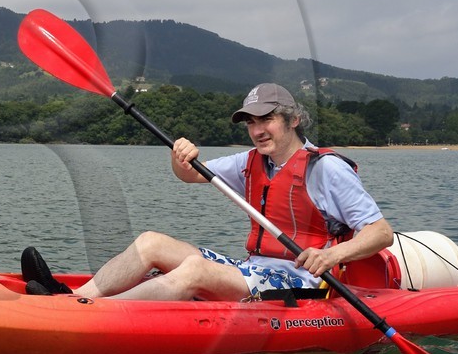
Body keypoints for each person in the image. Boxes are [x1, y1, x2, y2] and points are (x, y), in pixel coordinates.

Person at [22, 82, 394, 300]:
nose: (257, 129)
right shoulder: (250, 162)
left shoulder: (325, 168)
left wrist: (332, 256)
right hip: (253, 269)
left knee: (197, 269)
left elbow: (381, 233)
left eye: (267, 119)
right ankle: (75, 298)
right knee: (151, 241)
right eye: (251, 122)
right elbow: (188, 176)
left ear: (293, 120)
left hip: (301, 281)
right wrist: (179, 156)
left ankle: (91, 314)